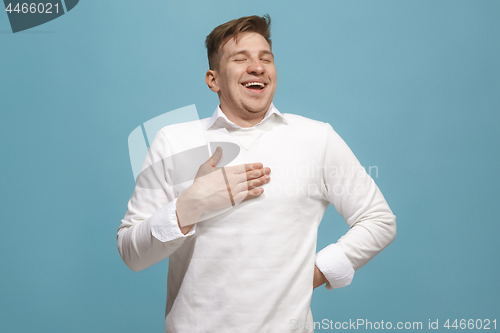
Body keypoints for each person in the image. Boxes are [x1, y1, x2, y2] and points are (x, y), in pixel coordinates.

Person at [117, 15, 396, 333]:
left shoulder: (317, 139)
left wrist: (315, 273)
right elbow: (131, 254)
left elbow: (379, 220)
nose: (257, 67)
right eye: (240, 59)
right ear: (214, 80)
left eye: (266, 59)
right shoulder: (174, 140)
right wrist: (190, 205)